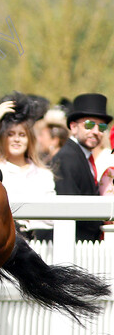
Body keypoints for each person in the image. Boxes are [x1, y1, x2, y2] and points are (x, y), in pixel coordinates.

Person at [0, 96, 55, 241]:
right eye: (10, 135)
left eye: (22, 135)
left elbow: (51, 218)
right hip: (4, 243)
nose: (16, 139)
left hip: (42, 245)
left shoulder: (44, 174)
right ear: (2, 138)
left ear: (29, 139)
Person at [51, 93, 112, 241]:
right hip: (74, 243)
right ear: (73, 127)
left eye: (101, 127)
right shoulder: (67, 157)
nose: (96, 132)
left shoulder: (82, 156)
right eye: (89, 125)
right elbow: (68, 207)